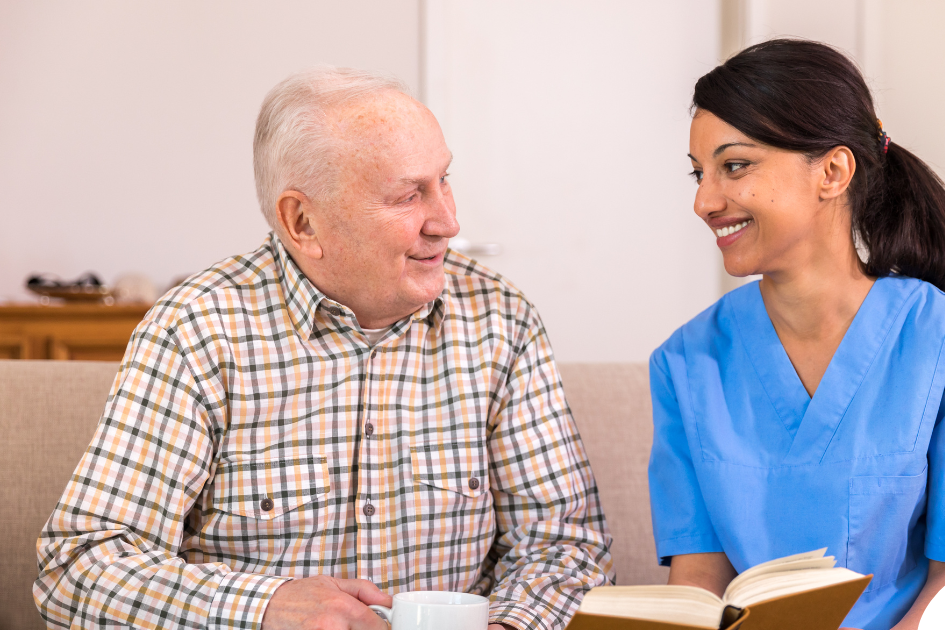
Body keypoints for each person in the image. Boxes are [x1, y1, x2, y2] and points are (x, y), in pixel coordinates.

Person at [34, 67, 613, 630]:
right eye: (409, 195)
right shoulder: (197, 331)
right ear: (302, 221)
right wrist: (264, 609)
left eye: (444, 180)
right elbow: (78, 567)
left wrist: (509, 627)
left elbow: (565, 545)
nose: (448, 221)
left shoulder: (500, 320)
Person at [647, 40, 945, 630]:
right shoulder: (685, 362)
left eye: (734, 166)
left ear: (833, 172)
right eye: (698, 173)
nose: (704, 201)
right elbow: (699, 580)